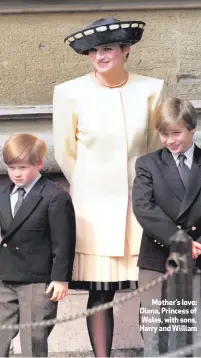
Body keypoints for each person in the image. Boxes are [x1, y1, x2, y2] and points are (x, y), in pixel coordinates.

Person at [53, 17, 164, 357]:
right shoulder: (69, 92)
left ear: (125, 50)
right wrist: (91, 190)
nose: (99, 57)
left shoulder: (152, 88)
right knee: (101, 291)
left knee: (152, 290)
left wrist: (142, 190)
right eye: (93, 51)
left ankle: (159, 352)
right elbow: (65, 152)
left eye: (107, 49)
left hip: (140, 205)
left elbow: (152, 148)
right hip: (94, 211)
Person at [132, 97, 201, 356]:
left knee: (195, 330)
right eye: (164, 134)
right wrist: (177, 238)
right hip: (157, 258)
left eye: (176, 133)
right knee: (155, 330)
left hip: (198, 255)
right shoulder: (148, 164)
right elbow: (143, 207)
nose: (170, 140)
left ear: (192, 128)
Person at [0, 133, 76, 357]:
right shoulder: (3, 193)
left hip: (37, 280)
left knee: (33, 338)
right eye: (11, 167)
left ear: (39, 163)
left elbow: (64, 241)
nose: (16, 173)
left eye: (22, 167)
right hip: (5, 277)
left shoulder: (54, 196)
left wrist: (60, 278)